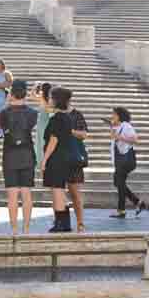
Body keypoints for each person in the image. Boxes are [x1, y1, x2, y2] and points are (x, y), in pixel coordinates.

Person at [0, 78, 37, 236]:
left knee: (12, 194)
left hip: (9, 154)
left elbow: (1, 133)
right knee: (26, 193)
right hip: (27, 153)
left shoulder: (4, 113)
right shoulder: (33, 113)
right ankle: (26, 229)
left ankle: (14, 230)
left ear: (12, 92)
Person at [41, 85, 76, 233]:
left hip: (56, 159)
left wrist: (44, 159)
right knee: (59, 189)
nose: (48, 100)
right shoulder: (67, 117)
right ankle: (64, 222)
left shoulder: (57, 118)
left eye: (50, 97)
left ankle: (60, 223)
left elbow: (53, 140)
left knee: (57, 190)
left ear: (56, 100)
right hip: (64, 158)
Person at [110, 106, 145, 218]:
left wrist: (118, 137)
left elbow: (135, 139)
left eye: (114, 114)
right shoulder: (119, 127)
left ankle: (124, 209)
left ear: (119, 116)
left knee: (119, 183)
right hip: (120, 161)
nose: (112, 116)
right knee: (118, 183)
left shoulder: (126, 126)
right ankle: (136, 203)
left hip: (126, 161)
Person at [67, 98, 90, 233]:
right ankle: (62, 221)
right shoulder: (55, 114)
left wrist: (71, 132)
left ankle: (80, 223)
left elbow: (84, 134)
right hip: (57, 159)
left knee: (75, 192)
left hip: (73, 158)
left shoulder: (77, 115)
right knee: (58, 192)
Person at [34, 80, 52, 169]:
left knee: (40, 141)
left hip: (42, 121)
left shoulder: (41, 97)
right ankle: (45, 161)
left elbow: (32, 95)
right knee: (45, 141)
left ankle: (40, 162)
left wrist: (35, 86)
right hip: (47, 120)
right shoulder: (50, 98)